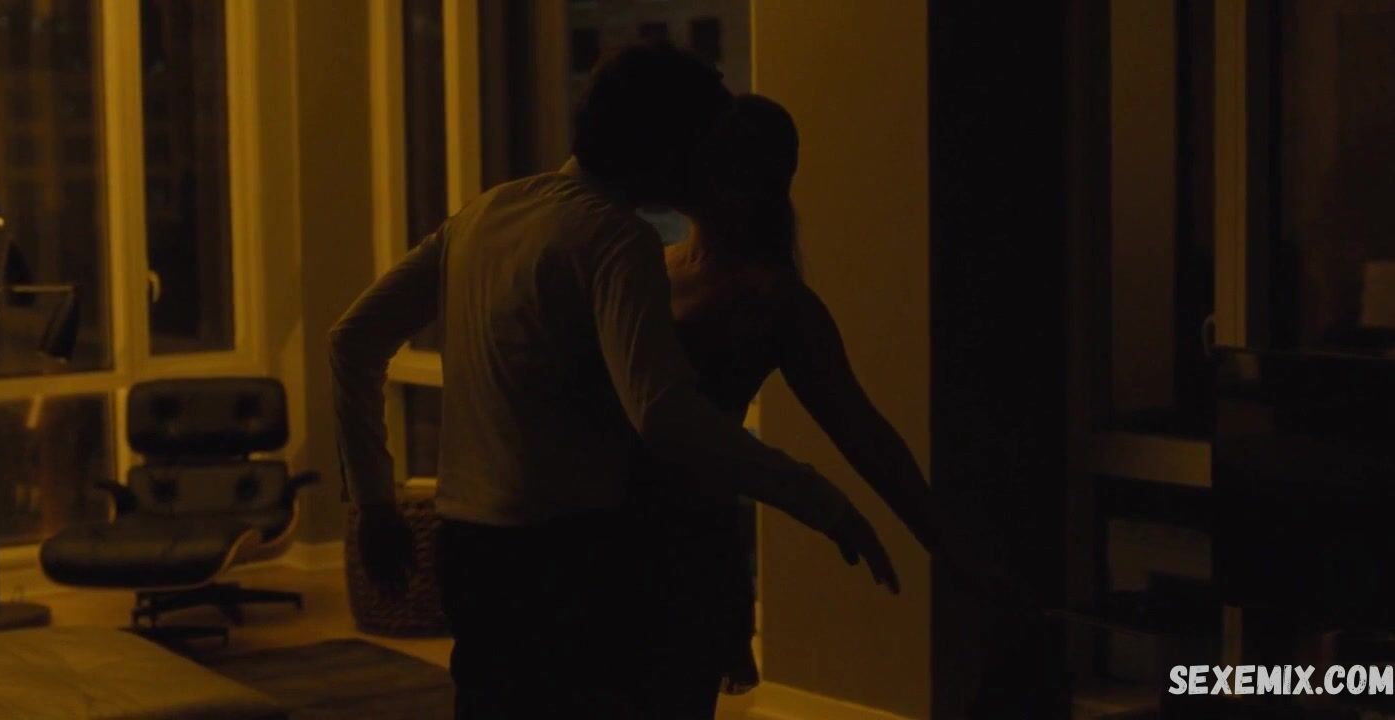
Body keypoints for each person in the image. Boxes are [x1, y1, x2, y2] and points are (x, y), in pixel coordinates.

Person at [330, 45, 897, 719]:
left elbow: (353, 339)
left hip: (469, 548)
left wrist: (374, 502)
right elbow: (662, 413)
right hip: (573, 556)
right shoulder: (616, 240)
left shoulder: (487, 212)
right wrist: (815, 497)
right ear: (665, 146)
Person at [634, 94, 1021, 718]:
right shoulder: (650, 263)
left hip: (683, 539)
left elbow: (861, 429)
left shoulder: (772, 300)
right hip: (609, 524)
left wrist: (945, 542)